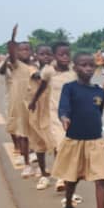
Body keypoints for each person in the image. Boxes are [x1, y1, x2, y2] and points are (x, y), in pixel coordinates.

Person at [51, 53, 104, 208]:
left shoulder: (99, 92)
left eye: (91, 65)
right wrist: (64, 118)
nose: (88, 69)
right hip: (74, 141)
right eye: (83, 65)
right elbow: (63, 107)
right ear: (75, 67)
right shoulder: (70, 88)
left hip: (95, 141)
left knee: (100, 180)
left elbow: (98, 113)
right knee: (72, 178)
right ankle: (68, 204)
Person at [43, 43, 77, 192]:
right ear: (54, 56)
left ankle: (66, 174)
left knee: (69, 147)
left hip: (72, 116)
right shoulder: (49, 71)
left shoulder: (74, 73)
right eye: (61, 54)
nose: (65, 57)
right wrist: (33, 102)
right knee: (60, 144)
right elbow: (42, 87)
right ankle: (61, 178)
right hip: (55, 115)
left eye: (67, 54)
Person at [3, 27, 37, 175]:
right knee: (23, 133)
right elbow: (11, 53)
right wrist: (12, 39)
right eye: (21, 50)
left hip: (34, 103)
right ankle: (27, 163)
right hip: (19, 103)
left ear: (31, 51)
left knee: (35, 132)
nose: (24, 52)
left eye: (27, 50)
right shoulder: (16, 64)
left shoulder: (35, 66)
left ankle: (36, 158)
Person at [27, 45, 55, 188]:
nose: (46, 57)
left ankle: (61, 176)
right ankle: (44, 174)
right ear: (36, 55)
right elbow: (39, 77)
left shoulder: (54, 69)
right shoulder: (32, 69)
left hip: (52, 112)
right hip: (37, 111)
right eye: (42, 54)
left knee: (57, 142)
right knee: (39, 144)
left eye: (48, 54)